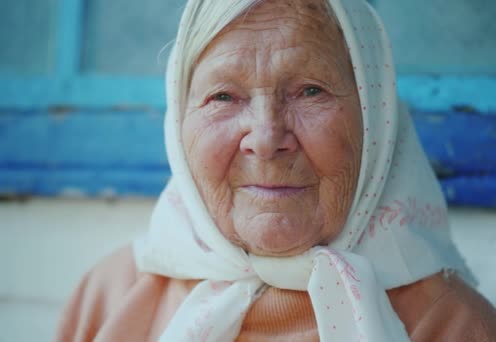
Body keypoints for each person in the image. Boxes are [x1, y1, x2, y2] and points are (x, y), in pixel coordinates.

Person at [58, 0, 496, 340]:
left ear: (375, 120)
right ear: (179, 123)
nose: (266, 139)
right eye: (224, 97)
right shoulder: (110, 296)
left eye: (310, 91)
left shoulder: (454, 326)